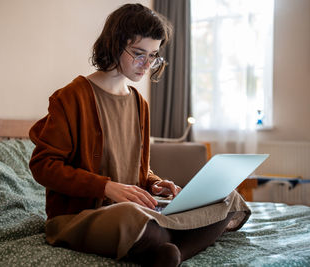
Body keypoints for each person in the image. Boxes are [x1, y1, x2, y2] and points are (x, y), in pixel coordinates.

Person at [29, 3, 250, 266]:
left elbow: (136, 170)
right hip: (82, 217)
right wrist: (106, 187)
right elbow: (43, 166)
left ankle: (169, 252)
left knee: (228, 197)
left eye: (154, 55)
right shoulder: (71, 97)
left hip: (137, 212)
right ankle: (177, 244)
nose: (146, 64)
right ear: (114, 44)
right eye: (138, 54)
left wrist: (154, 183)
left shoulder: (139, 103)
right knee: (132, 216)